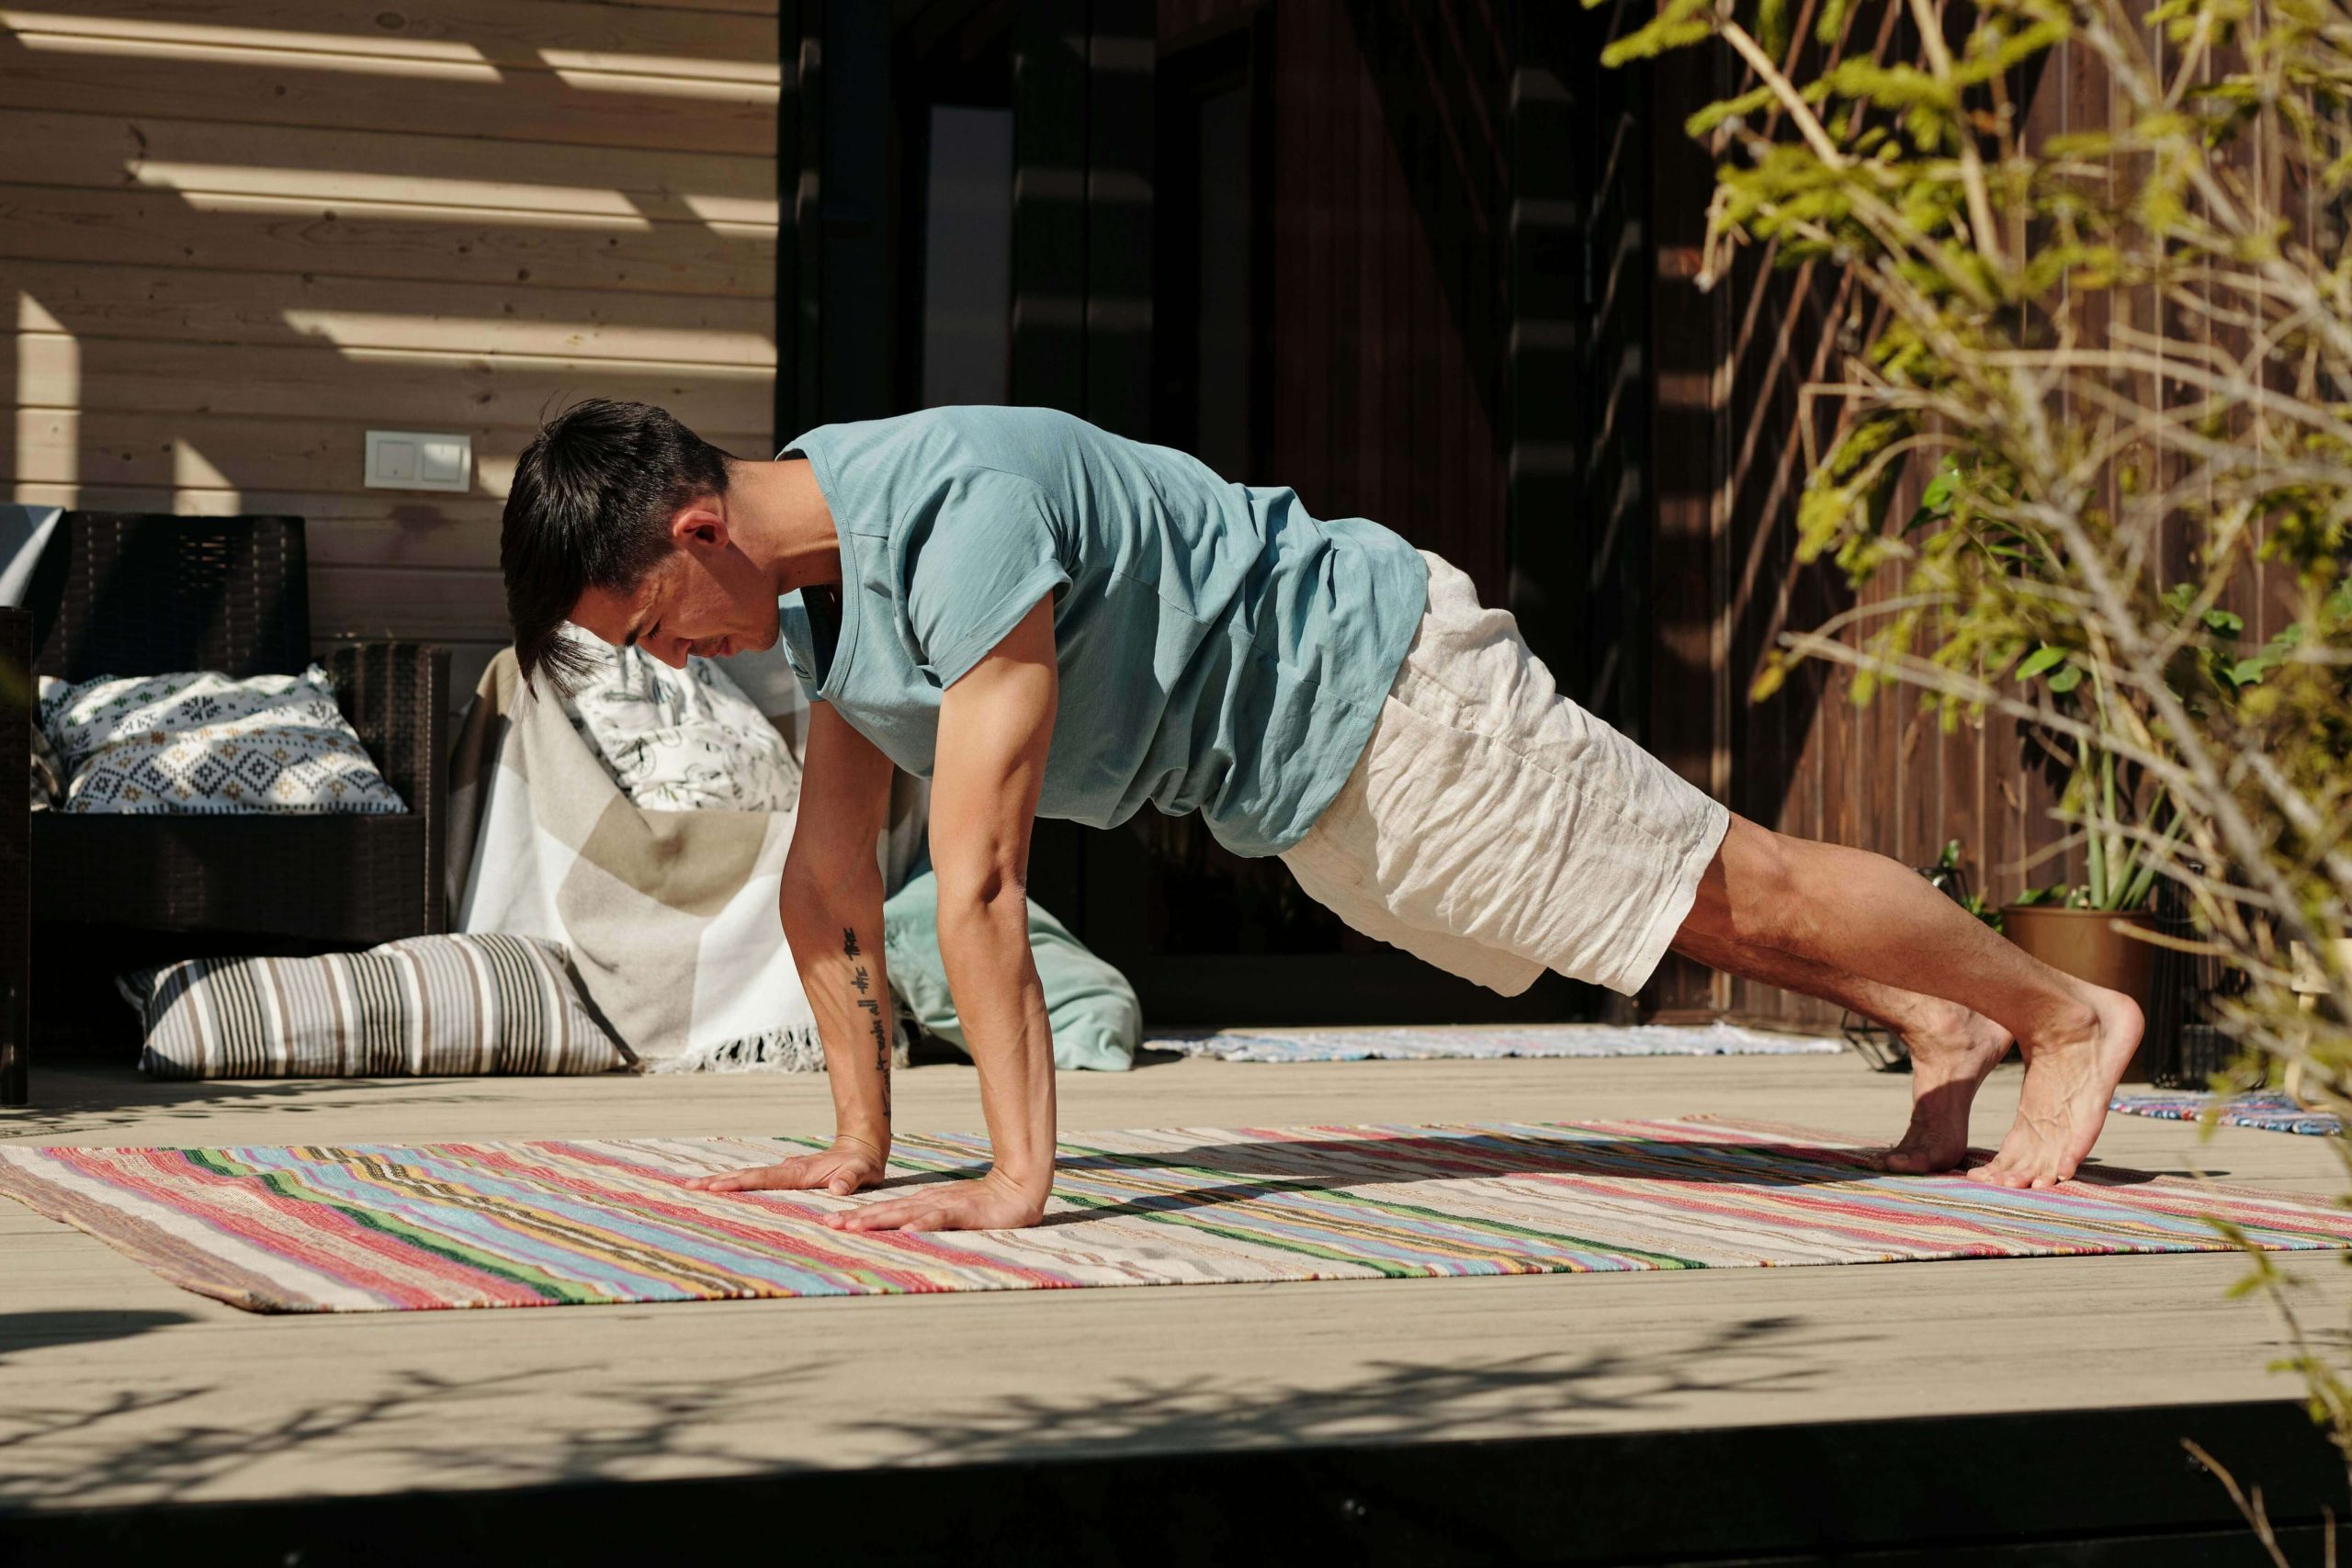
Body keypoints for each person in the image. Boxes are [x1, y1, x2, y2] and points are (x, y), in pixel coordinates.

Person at [501, 400, 2144, 1232]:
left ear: (699, 529)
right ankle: (1949, 1018)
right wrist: (858, 1147)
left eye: (650, 627)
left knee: (1743, 887)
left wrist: (1016, 1178)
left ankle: (2066, 1013)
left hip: (1383, 701)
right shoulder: (816, 599)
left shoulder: (951, 517)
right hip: (1302, 787)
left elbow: (980, 876)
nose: (676, 662)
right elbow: (830, 882)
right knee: (1671, 919)